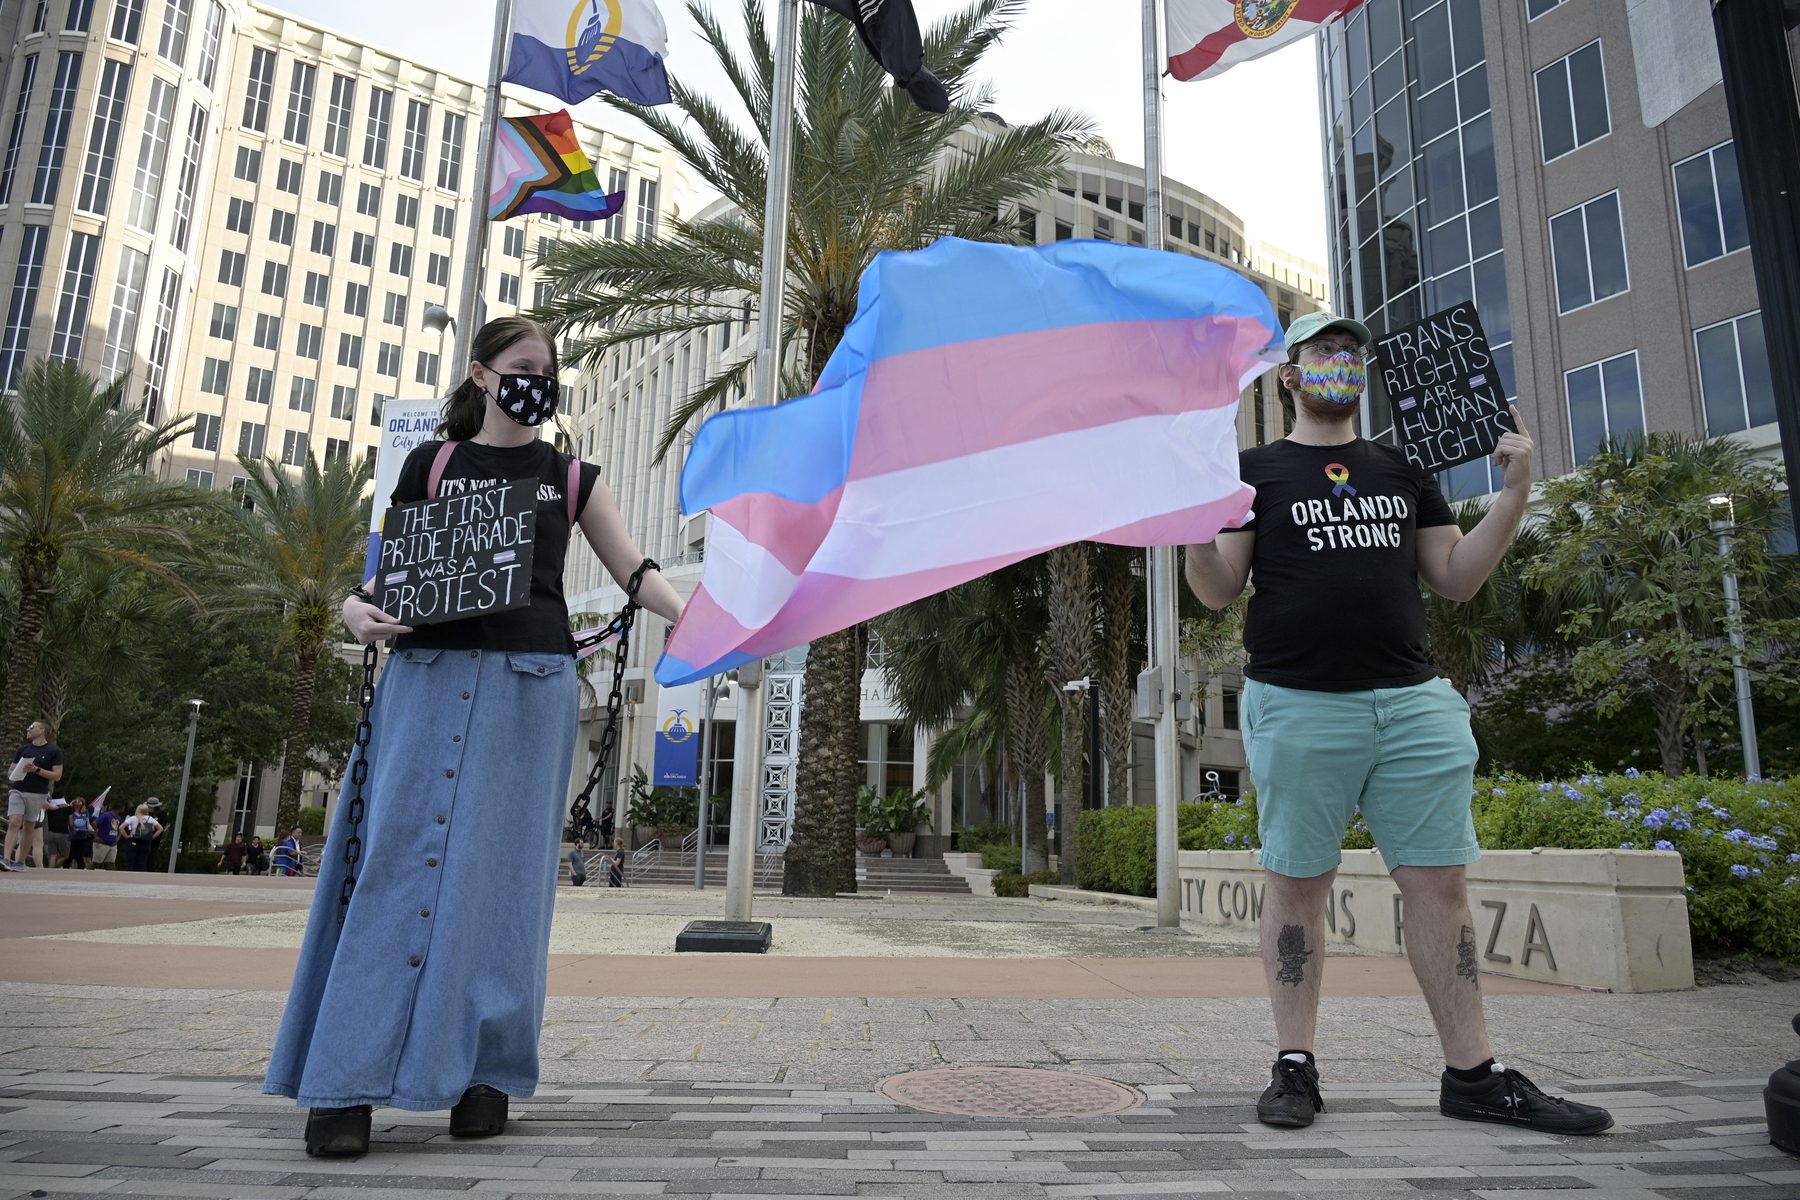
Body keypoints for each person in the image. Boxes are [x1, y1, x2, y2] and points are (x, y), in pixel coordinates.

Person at [1183, 312, 1613, 1137]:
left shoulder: (1403, 469)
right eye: (1322, 351)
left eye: (1350, 352)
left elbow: (1454, 577)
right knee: (1298, 884)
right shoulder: (1253, 472)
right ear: (1290, 375)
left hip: (1413, 702)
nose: (1339, 362)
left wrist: (1516, 491)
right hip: (1301, 701)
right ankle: (1295, 1067)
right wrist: (1192, 530)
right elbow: (1215, 590)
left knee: (1439, 884)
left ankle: (1474, 1076)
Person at [264, 315, 684, 1158]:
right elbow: (384, 574)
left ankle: (485, 1075)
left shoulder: (572, 478)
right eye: (525, 367)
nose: (540, 382)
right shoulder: (435, 463)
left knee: (506, 885)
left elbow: (634, 572)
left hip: (532, 689)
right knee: (389, 866)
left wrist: (706, 622)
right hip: (425, 678)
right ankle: (343, 1084)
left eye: (550, 371)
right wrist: (353, 608)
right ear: (483, 374)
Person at [4, 720, 63, 870]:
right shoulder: (23, 750)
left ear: (42, 730)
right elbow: (10, 771)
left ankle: (20, 862)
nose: (28, 729)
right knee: (14, 822)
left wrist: (36, 770)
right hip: (18, 789)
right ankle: (5, 859)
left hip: (37, 793)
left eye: (32, 727)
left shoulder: (54, 751)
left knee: (29, 826)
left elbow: (57, 776)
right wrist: (16, 772)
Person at [121, 805, 162, 872]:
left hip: (134, 841)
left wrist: (126, 836)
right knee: (142, 863)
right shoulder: (150, 819)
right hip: (146, 842)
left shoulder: (133, 818)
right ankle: (142, 879)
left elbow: (121, 828)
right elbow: (160, 829)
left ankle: (128, 878)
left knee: (130, 862)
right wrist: (152, 837)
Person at [42, 797, 72, 868]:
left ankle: (51, 871)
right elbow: (71, 823)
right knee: (65, 855)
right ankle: (55, 866)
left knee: (53, 855)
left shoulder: (50, 808)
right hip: (63, 834)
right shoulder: (68, 808)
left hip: (50, 833)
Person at [65, 796, 93, 869]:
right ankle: (65, 867)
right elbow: (68, 824)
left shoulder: (85, 812)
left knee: (80, 855)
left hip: (82, 836)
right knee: (70, 855)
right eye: (76, 803)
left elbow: (87, 823)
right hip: (72, 837)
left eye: (79, 802)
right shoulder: (70, 812)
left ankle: (81, 869)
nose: (77, 805)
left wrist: (91, 829)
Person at [91, 801, 119, 870]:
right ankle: (85, 875)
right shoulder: (106, 815)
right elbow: (94, 823)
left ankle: (112, 879)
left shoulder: (118, 818)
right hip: (102, 842)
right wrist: (96, 835)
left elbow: (119, 828)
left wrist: (118, 837)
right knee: (96, 863)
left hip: (112, 843)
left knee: (111, 863)